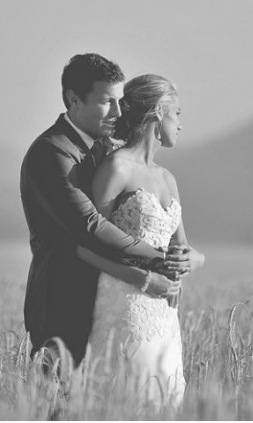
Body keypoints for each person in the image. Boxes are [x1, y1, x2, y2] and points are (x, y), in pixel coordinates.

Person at [20, 54, 185, 369]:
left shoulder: (107, 148)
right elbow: (90, 225)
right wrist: (157, 258)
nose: (118, 112)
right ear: (74, 99)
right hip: (64, 301)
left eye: (120, 101)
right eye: (107, 101)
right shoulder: (51, 152)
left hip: (112, 300)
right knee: (59, 394)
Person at [77, 74, 205, 408]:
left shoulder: (167, 178)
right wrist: (144, 279)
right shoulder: (116, 168)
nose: (180, 124)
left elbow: (183, 248)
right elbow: (85, 246)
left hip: (166, 314)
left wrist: (195, 260)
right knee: (130, 399)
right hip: (127, 305)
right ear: (159, 112)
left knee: (165, 401)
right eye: (177, 113)